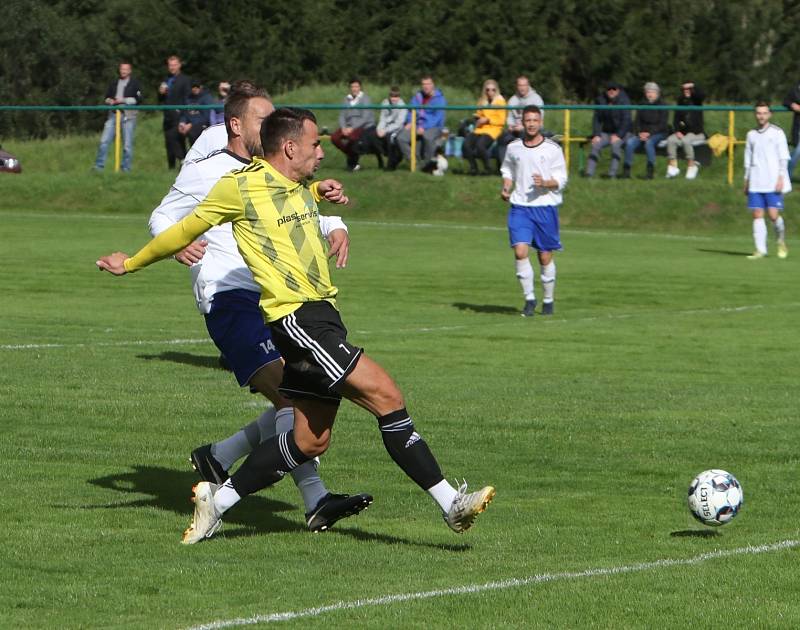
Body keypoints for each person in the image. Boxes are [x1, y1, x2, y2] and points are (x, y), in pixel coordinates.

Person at [97, 107, 495, 544]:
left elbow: (296, 203)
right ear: (289, 148)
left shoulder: (297, 185)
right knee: (386, 395)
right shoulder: (238, 186)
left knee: (309, 441)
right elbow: (183, 229)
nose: (322, 151)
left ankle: (219, 502)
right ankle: (450, 504)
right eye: (315, 144)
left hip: (322, 315)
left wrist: (322, 195)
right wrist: (131, 263)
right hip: (297, 319)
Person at [147, 81, 373, 532]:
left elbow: (298, 209)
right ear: (236, 124)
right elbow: (163, 214)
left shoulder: (268, 173)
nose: (270, 126)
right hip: (228, 299)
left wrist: (336, 222)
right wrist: (174, 245)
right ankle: (315, 498)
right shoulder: (211, 169)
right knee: (294, 397)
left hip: (273, 299)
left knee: (305, 393)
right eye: (261, 119)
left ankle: (220, 455)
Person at [500, 106, 567, 317]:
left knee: (544, 257)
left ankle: (548, 300)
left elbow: (562, 180)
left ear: (540, 122)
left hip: (545, 207)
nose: (531, 124)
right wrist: (506, 186)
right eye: (527, 120)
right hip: (520, 206)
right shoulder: (513, 148)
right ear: (522, 122)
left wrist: (546, 183)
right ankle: (529, 299)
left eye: (534, 120)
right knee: (520, 251)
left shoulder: (552, 149)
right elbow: (507, 169)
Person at [743, 101, 790, 260]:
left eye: (764, 113)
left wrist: (781, 178)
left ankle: (780, 240)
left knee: (773, 215)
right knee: (757, 214)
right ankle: (760, 249)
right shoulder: (751, 134)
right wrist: (746, 180)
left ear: (769, 114)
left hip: (772, 180)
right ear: (755, 115)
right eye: (758, 113)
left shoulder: (777, 133)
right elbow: (748, 159)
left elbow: (784, 158)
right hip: (756, 180)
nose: (761, 116)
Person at [93, 61, 143, 172]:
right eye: (122, 69)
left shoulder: (135, 84)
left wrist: (123, 100)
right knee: (104, 141)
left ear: (129, 71)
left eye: (126, 69)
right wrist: (110, 101)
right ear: (119, 70)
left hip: (128, 116)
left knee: (127, 144)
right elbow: (106, 97)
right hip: (113, 114)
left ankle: (125, 168)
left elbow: (139, 99)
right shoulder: (114, 83)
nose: (123, 71)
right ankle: (98, 166)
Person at [394, 75, 447, 168]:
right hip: (416, 124)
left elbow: (437, 118)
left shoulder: (440, 99)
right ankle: (414, 161)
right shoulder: (417, 97)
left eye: (428, 84)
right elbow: (411, 111)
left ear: (433, 85)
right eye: (423, 84)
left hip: (434, 126)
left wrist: (424, 127)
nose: (426, 86)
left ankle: (427, 164)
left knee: (427, 136)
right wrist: (410, 122)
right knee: (401, 138)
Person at [622, 82, 669, 179]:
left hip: (658, 133)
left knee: (649, 143)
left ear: (657, 93)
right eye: (648, 92)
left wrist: (649, 133)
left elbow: (662, 124)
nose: (650, 94)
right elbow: (637, 121)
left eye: (652, 92)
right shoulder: (642, 104)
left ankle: (650, 171)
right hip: (642, 133)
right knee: (630, 143)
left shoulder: (663, 105)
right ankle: (626, 171)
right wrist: (639, 132)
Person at [585, 82, 632, 178]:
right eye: (608, 89)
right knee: (596, 144)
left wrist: (618, 135)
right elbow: (597, 119)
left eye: (613, 89)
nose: (611, 91)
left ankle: (612, 174)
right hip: (606, 132)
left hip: (623, 133)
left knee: (615, 145)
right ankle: (589, 173)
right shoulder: (601, 100)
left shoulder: (624, 101)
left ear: (618, 90)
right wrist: (596, 134)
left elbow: (627, 120)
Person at [496, 76, 544, 167]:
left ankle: (524, 167)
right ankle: (505, 168)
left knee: (524, 137)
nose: (522, 88)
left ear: (528, 86)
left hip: (531, 129)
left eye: (524, 85)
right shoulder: (512, 100)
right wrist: (510, 126)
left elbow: (539, 120)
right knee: (502, 138)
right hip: (515, 129)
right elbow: (510, 117)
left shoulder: (536, 99)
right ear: (517, 86)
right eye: (520, 85)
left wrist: (523, 127)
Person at [462, 79, 507, 175]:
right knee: (466, 144)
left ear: (496, 90)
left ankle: (488, 168)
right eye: (488, 90)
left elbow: (501, 121)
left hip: (493, 129)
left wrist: (488, 120)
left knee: (480, 145)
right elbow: (479, 113)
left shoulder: (501, 102)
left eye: (493, 90)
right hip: (480, 128)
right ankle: (473, 168)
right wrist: (477, 117)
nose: (490, 92)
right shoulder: (482, 101)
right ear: (484, 90)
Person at [330, 78, 375, 171]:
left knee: (352, 139)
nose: (354, 89)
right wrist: (343, 128)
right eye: (352, 86)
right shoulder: (346, 99)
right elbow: (342, 115)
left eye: (356, 86)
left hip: (360, 126)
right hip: (347, 126)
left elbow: (365, 118)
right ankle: (352, 155)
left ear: (360, 88)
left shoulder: (365, 99)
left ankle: (352, 163)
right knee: (334, 137)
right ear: (350, 88)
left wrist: (352, 128)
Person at [665, 81, 705, 179]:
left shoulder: (697, 100)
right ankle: (673, 167)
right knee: (671, 140)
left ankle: (691, 166)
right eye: (684, 89)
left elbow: (702, 95)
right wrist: (677, 131)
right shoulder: (680, 101)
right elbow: (676, 119)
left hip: (697, 133)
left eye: (689, 89)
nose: (686, 91)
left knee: (686, 140)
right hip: (682, 133)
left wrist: (693, 85)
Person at [158, 55, 192, 169]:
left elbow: (187, 98)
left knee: (174, 138)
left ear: (179, 65)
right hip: (167, 115)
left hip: (179, 114)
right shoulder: (166, 79)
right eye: (170, 65)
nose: (172, 67)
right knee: (168, 141)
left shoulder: (185, 80)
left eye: (174, 65)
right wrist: (160, 93)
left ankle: (184, 161)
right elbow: (160, 99)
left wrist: (184, 116)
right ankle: (171, 167)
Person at [361, 86, 407, 170]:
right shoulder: (385, 103)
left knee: (390, 138)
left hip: (397, 129)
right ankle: (381, 157)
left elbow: (398, 123)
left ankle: (391, 165)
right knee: (372, 135)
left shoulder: (403, 106)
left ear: (399, 97)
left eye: (396, 96)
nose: (394, 99)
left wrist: (385, 131)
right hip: (384, 127)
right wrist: (379, 129)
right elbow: (382, 118)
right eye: (392, 96)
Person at [178, 80, 214, 146]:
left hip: (203, 123)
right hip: (189, 124)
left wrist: (191, 124)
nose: (194, 89)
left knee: (193, 133)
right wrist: (182, 122)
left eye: (197, 87)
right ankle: (182, 155)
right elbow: (184, 113)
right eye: (192, 87)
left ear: (201, 87)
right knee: (174, 132)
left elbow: (206, 117)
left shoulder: (207, 97)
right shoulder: (188, 98)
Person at [782, 80, 800, 180]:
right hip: (798, 127)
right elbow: (785, 101)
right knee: (798, 151)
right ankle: (786, 175)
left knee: (797, 151)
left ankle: (784, 171)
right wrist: (792, 105)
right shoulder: (795, 89)